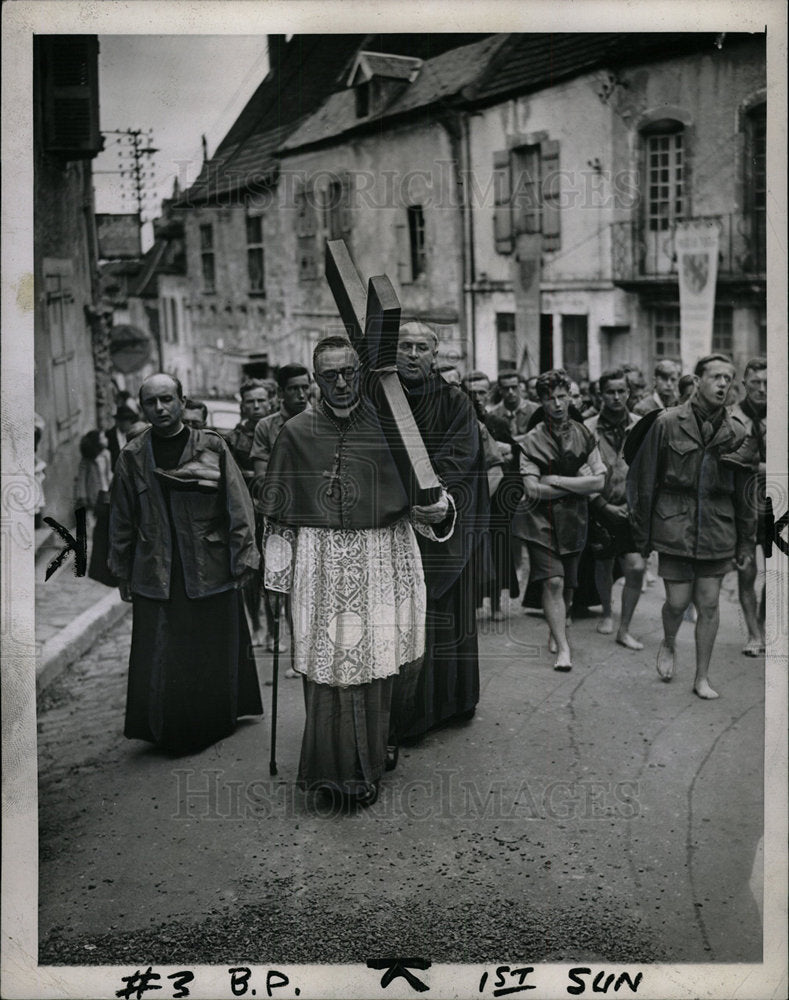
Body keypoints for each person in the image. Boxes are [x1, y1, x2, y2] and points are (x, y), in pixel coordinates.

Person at [261, 336, 450, 805]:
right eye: (330, 375)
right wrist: (276, 580)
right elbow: (279, 517)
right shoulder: (296, 433)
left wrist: (438, 511)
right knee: (329, 669)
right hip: (320, 564)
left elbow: (428, 498)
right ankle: (334, 772)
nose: (342, 383)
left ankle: (376, 750)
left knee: (381, 661)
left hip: (382, 559)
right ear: (315, 379)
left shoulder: (393, 428)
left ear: (360, 373)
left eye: (349, 372)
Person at [109, 372, 262, 753]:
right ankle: (168, 728)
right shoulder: (132, 455)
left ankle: (214, 721)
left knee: (210, 645)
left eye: (167, 399)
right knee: (165, 651)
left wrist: (244, 554)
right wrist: (122, 571)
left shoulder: (210, 446)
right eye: (151, 402)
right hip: (157, 569)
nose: (159, 408)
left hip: (207, 563)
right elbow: (121, 518)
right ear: (142, 408)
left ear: (182, 400)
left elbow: (237, 504)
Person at [626, 354, 757, 699]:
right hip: (675, 524)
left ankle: (701, 677)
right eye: (715, 377)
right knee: (677, 602)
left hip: (717, 527)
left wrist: (746, 542)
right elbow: (643, 480)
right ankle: (668, 642)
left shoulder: (738, 432)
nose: (723, 384)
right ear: (696, 381)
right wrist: (641, 535)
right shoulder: (666, 423)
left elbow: (746, 494)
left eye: (728, 379)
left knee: (710, 604)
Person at [391, 320, 489, 741]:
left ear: (435, 355)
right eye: (405, 346)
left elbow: (462, 454)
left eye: (421, 348)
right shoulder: (380, 396)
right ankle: (404, 713)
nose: (412, 355)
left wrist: (430, 498)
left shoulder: (454, 400)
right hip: (392, 520)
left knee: (443, 618)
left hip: (441, 520)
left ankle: (450, 703)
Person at [513, 369, 606, 670]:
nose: (557, 403)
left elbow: (598, 483)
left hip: (574, 519)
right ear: (541, 400)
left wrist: (555, 481)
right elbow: (531, 489)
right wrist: (575, 482)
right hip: (539, 521)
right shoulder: (531, 439)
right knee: (553, 581)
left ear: (569, 397)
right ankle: (564, 648)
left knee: (568, 586)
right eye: (550, 398)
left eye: (562, 396)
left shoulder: (584, 433)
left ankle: (558, 628)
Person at [250, 363, 311, 658]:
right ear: (281, 393)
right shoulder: (267, 427)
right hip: (280, 517)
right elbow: (263, 477)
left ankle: (308, 646)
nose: (301, 394)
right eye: (293, 389)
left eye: (305, 386)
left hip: (317, 519)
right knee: (279, 586)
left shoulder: (322, 420)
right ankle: (283, 640)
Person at [585, 369, 645, 649]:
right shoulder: (587, 428)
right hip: (600, 505)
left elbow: (648, 468)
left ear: (629, 393)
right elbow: (581, 469)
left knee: (635, 567)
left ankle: (625, 627)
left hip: (631, 507)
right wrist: (602, 504)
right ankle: (607, 613)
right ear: (601, 394)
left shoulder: (641, 425)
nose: (617, 397)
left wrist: (635, 505)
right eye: (610, 391)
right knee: (604, 563)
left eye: (622, 391)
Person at [729, 358, 767, 656]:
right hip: (742, 505)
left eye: (767, 383)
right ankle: (754, 635)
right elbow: (733, 460)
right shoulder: (732, 418)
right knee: (746, 569)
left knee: (779, 569)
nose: (762, 389)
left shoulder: (779, 415)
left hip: (776, 505)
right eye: (756, 383)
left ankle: (765, 624)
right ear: (745, 384)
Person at [226, 379, 270, 483]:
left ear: (269, 403)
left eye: (261, 400)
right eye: (250, 401)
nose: (256, 406)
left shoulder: (282, 432)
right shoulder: (233, 439)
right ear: (243, 406)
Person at [488, 370, 539, 436]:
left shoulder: (535, 410)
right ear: (500, 390)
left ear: (520, 387)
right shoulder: (493, 415)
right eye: (506, 388)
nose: (511, 392)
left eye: (514, 387)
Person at [106, 403, 139, 471]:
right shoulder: (109, 436)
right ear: (119, 422)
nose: (130, 424)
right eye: (127, 421)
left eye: (131, 421)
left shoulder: (133, 435)